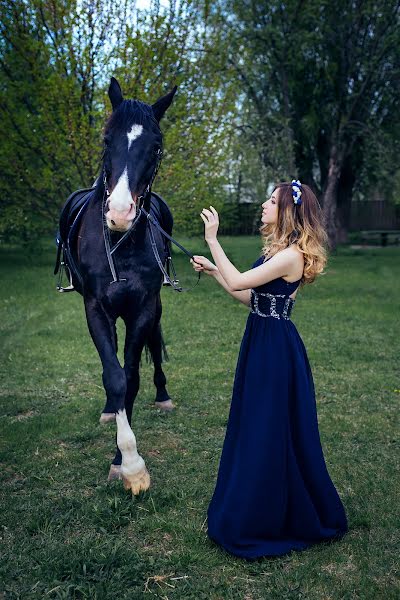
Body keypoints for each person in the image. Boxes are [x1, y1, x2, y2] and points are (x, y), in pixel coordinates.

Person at [190, 180, 348, 559]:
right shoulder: (277, 251)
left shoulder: (292, 256)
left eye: (271, 201)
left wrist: (214, 240)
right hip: (261, 340)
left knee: (267, 427)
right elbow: (249, 296)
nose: (264, 205)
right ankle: (260, 506)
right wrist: (215, 272)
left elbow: (242, 280)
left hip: (276, 350)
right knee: (257, 423)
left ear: (288, 211)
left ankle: (268, 516)